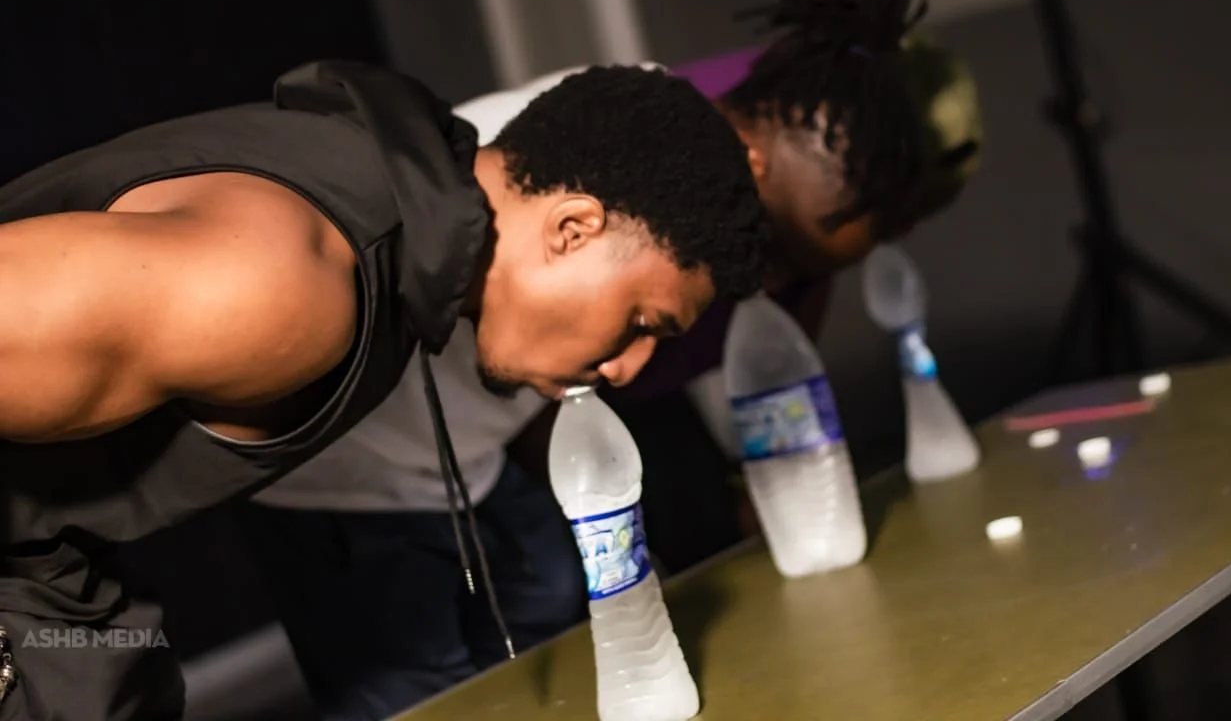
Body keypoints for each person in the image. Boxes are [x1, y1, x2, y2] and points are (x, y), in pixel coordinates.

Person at [242, 0, 983, 718]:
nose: (764, 282)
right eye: (778, 253)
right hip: (342, 481)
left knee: (558, 644)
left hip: (470, 459)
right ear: (751, 166)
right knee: (415, 695)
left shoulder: (699, 200)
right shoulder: (592, 147)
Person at [0, 60, 768, 721]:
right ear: (572, 228)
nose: (629, 367)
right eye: (641, 319)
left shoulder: (398, 230)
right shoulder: (285, 283)